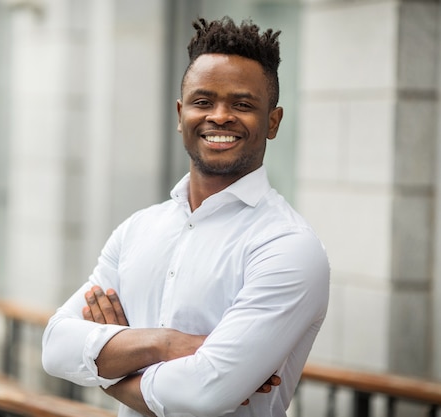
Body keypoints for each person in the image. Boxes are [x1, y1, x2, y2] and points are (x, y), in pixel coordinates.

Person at [42, 16, 330, 417]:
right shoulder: (138, 229)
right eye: (203, 101)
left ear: (273, 122)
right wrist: (164, 343)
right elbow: (55, 346)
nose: (219, 116)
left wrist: (103, 367)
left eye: (243, 104)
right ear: (181, 115)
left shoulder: (288, 247)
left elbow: (202, 394)